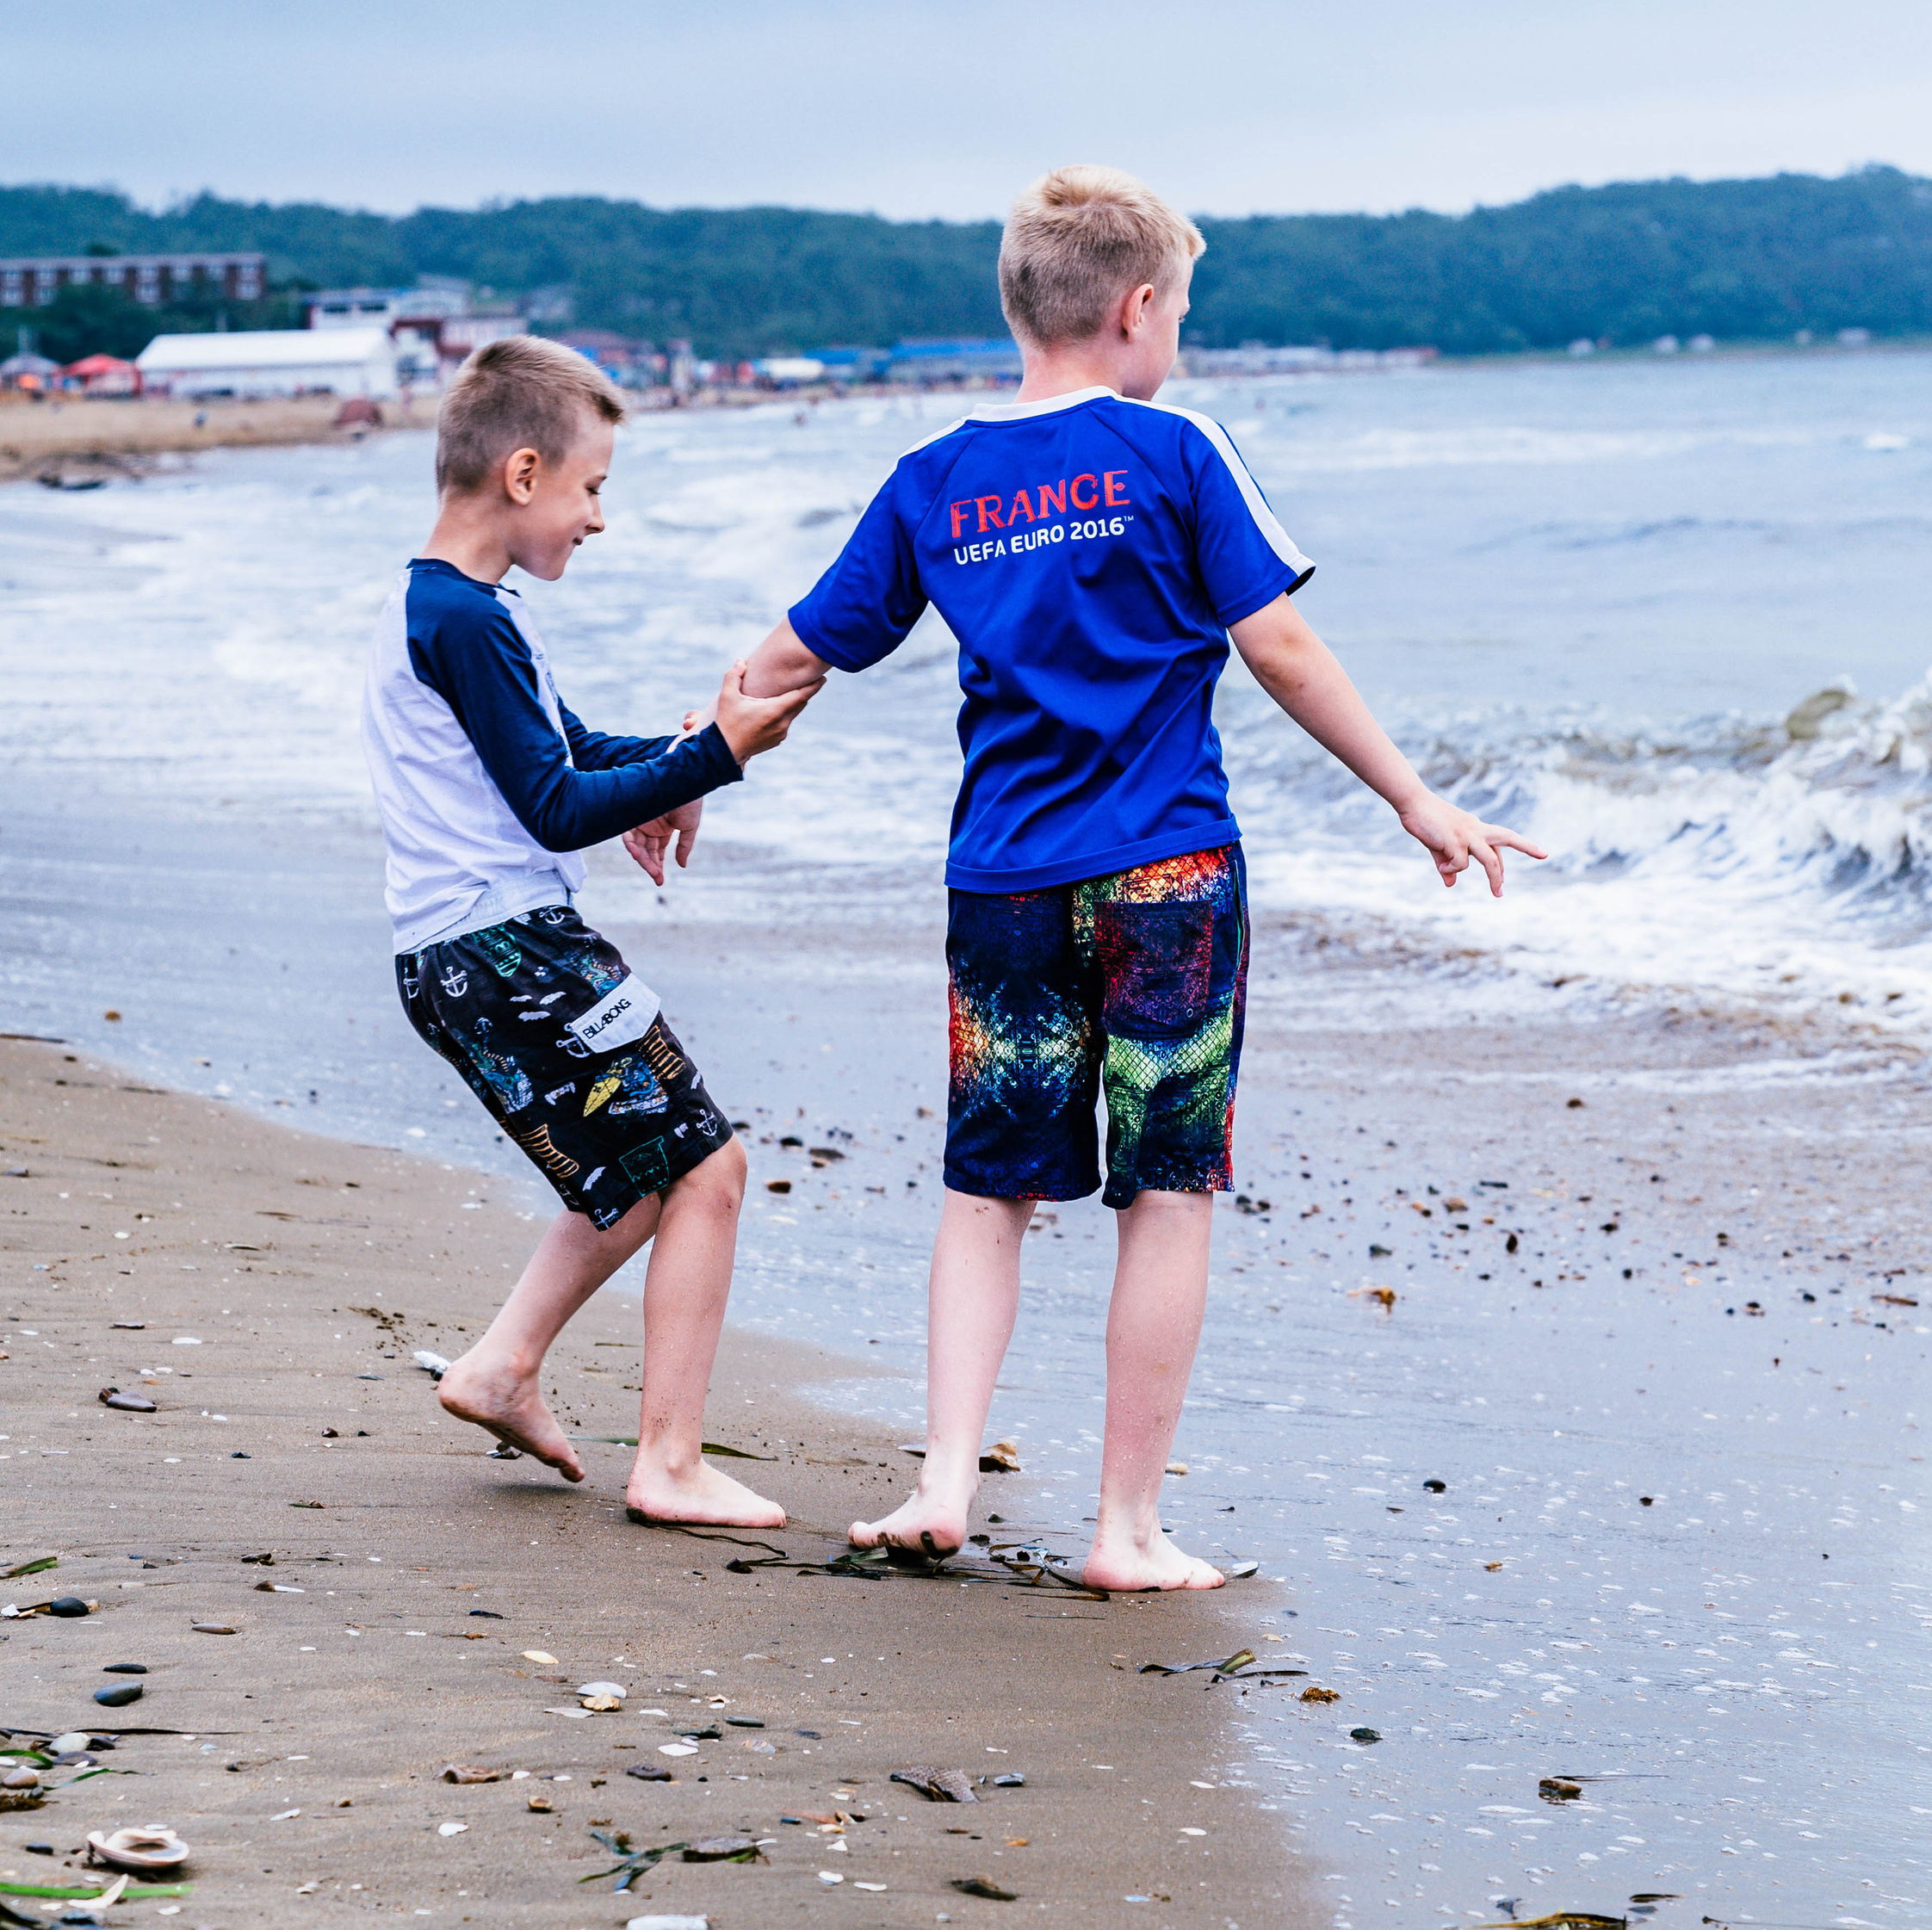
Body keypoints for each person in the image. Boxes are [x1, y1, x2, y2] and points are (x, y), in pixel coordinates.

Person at [725, 165, 1544, 1588]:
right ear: (1137, 306)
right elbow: (1279, 645)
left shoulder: (933, 479)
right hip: (1167, 878)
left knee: (987, 1192)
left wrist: (694, 758)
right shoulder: (1175, 448)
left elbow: (799, 653)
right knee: (1164, 1192)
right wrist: (1414, 798)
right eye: (1181, 315)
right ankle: (1126, 1529)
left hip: (1003, 886)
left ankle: (941, 1483)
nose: (1179, 340)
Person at [362, 334, 814, 1529]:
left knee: (638, 1177)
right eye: (592, 488)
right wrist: (719, 756)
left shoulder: (451, 608)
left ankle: (502, 1370)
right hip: (509, 951)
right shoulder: (465, 622)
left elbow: (566, 753)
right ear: (523, 475)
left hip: (461, 956)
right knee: (707, 1168)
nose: (599, 517)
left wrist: (683, 755)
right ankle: (669, 1462)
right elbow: (556, 807)